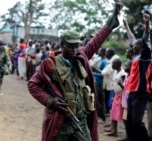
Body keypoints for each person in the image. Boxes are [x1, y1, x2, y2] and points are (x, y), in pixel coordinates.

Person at [27, 3, 122, 141]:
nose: (74, 50)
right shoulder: (49, 64)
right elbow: (32, 85)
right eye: (70, 46)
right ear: (62, 45)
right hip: (60, 121)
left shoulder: (81, 57)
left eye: (76, 46)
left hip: (80, 118)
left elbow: (97, 40)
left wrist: (113, 18)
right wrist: (51, 101)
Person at [125, 13, 152, 141]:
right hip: (132, 91)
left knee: (137, 121)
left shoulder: (145, 56)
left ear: (140, 47)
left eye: (135, 45)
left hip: (141, 92)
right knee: (129, 120)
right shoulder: (136, 55)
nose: (132, 45)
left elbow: (145, 38)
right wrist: (126, 26)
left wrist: (147, 23)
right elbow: (131, 37)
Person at [104, 58, 126, 137]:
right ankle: (114, 130)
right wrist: (113, 96)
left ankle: (126, 133)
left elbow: (125, 87)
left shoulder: (123, 74)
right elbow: (115, 85)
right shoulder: (116, 72)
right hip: (116, 95)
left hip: (121, 96)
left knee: (122, 115)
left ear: (117, 65)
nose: (112, 65)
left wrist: (120, 84)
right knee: (113, 113)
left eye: (113, 64)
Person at [92, 48, 108, 123]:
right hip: (96, 82)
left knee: (100, 100)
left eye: (100, 51)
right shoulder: (99, 60)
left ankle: (102, 117)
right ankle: (99, 115)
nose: (98, 51)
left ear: (103, 52)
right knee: (97, 100)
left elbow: (103, 74)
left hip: (100, 83)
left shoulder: (105, 62)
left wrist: (93, 73)